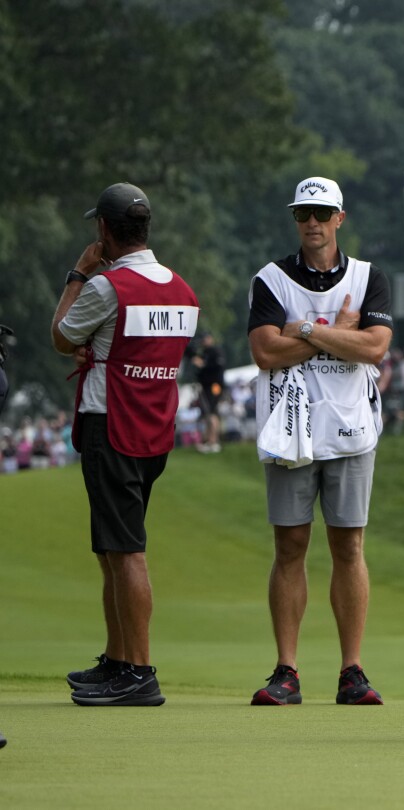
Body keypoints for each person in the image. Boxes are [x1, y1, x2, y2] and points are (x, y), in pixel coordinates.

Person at [246, 176, 394, 706]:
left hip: (351, 429)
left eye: (321, 212)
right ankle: (287, 670)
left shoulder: (368, 277)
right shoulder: (270, 279)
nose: (311, 221)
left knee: (348, 546)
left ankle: (351, 671)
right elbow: (266, 352)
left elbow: (374, 347)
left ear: (339, 218)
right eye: (303, 212)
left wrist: (303, 330)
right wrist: (337, 332)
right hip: (289, 429)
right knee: (290, 547)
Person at [53, 183, 199, 706]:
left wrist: (77, 274)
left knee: (127, 551)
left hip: (111, 427)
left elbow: (62, 336)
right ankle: (118, 659)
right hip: (153, 431)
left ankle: (138, 672)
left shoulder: (106, 286)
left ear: (104, 231)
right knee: (112, 550)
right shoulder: (183, 289)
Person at [191, 332, 226, 453]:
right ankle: (208, 440)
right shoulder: (204, 353)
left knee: (211, 412)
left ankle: (213, 441)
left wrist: (203, 365)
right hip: (206, 387)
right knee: (209, 413)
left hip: (214, 386)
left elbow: (218, 367)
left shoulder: (215, 352)